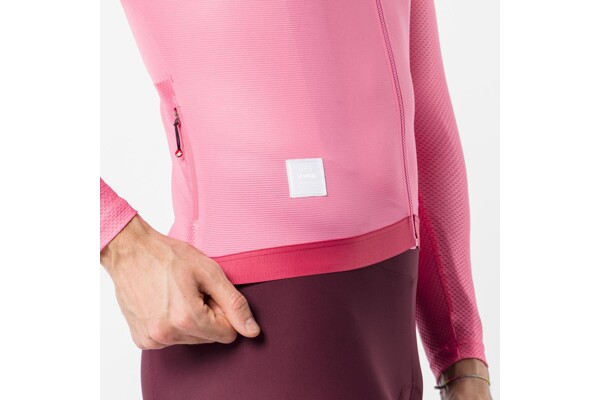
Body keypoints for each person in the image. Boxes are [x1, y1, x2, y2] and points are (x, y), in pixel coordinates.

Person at [100, 0, 492, 399]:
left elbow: (422, 106)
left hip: (388, 316)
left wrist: (462, 358)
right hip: (250, 320)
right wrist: (121, 244)